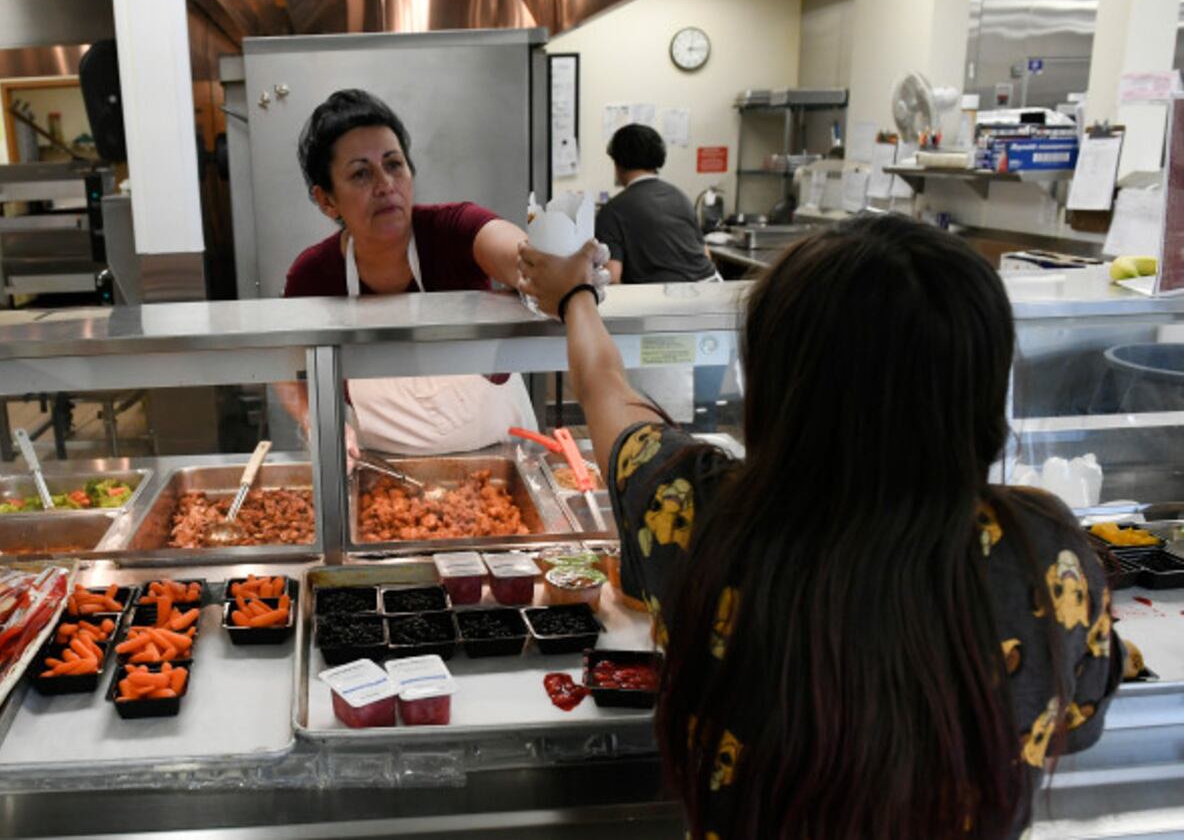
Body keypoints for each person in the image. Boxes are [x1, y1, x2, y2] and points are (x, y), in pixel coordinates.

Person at [516, 214, 1128, 839]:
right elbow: (1075, 718)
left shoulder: (701, 516)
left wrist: (575, 298)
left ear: (779, 386)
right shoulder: (1046, 553)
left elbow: (607, 392)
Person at [278, 89, 542, 455]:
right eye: (360, 174)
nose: (385, 185)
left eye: (393, 164)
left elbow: (520, 258)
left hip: (501, 461)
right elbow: (285, 364)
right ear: (327, 200)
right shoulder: (313, 276)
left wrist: (552, 266)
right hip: (388, 476)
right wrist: (315, 420)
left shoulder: (455, 230)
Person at [596, 124, 716, 284]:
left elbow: (611, 277)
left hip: (663, 299)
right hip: (711, 286)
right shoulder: (680, 196)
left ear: (617, 164)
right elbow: (705, 253)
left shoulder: (612, 211)